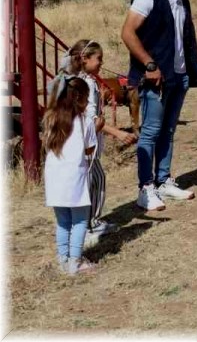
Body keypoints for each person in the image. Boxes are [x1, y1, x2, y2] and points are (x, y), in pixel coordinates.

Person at [121, 0, 197, 211]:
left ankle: (163, 181)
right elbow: (127, 32)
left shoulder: (183, 1)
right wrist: (149, 65)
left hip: (178, 78)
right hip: (154, 80)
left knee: (168, 131)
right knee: (150, 132)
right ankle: (145, 188)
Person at [61, 40, 135, 248]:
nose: (101, 63)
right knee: (94, 181)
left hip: (79, 143)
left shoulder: (75, 80)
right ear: (85, 59)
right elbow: (90, 119)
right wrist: (118, 133)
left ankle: (91, 222)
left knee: (95, 180)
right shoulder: (85, 83)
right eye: (98, 59)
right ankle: (88, 227)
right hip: (85, 145)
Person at [42, 77, 98, 276]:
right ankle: (75, 262)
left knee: (63, 221)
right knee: (80, 220)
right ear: (82, 98)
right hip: (75, 176)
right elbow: (89, 149)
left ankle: (63, 259)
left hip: (54, 176)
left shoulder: (50, 118)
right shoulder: (85, 121)